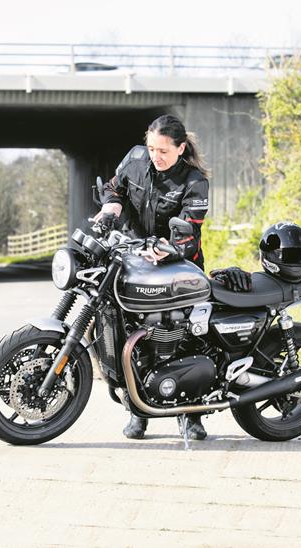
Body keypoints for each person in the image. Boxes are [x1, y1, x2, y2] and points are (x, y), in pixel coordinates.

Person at [95, 114, 211, 441]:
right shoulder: (134, 159)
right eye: (151, 149)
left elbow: (190, 226)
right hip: (133, 258)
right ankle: (137, 411)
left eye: (163, 151)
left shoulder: (194, 180)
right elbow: (114, 189)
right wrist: (110, 210)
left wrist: (170, 248)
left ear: (180, 148)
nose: (155, 157)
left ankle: (191, 415)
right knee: (127, 332)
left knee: (185, 336)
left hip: (179, 265)